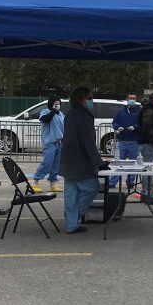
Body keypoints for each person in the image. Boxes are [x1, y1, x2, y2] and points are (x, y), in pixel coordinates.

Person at [60, 87, 104, 234]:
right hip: (80, 160)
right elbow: (89, 142)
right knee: (92, 187)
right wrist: (99, 163)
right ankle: (73, 217)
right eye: (89, 97)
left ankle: (72, 224)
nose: (91, 100)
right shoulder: (84, 116)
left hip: (67, 158)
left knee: (71, 193)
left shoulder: (70, 114)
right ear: (82, 98)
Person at [31, 94, 65, 193]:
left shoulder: (61, 114)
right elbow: (45, 120)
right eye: (55, 104)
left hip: (59, 142)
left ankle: (53, 183)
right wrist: (53, 111)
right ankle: (35, 181)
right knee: (47, 162)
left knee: (56, 164)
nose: (57, 106)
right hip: (49, 141)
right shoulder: (45, 112)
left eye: (59, 104)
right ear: (51, 104)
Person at [109, 94, 141, 190]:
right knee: (118, 162)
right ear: (127, 100)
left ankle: (130, 182)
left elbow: (141, 123)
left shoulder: (139, 112)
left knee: (133, 163)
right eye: (130, 98)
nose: (132, 100)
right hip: (122, 141)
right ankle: (113, 182)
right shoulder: (120, 111)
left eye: (134, 99)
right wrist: (117, 127)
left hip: (134, 141)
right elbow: (114, 122)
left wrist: (135, 127)